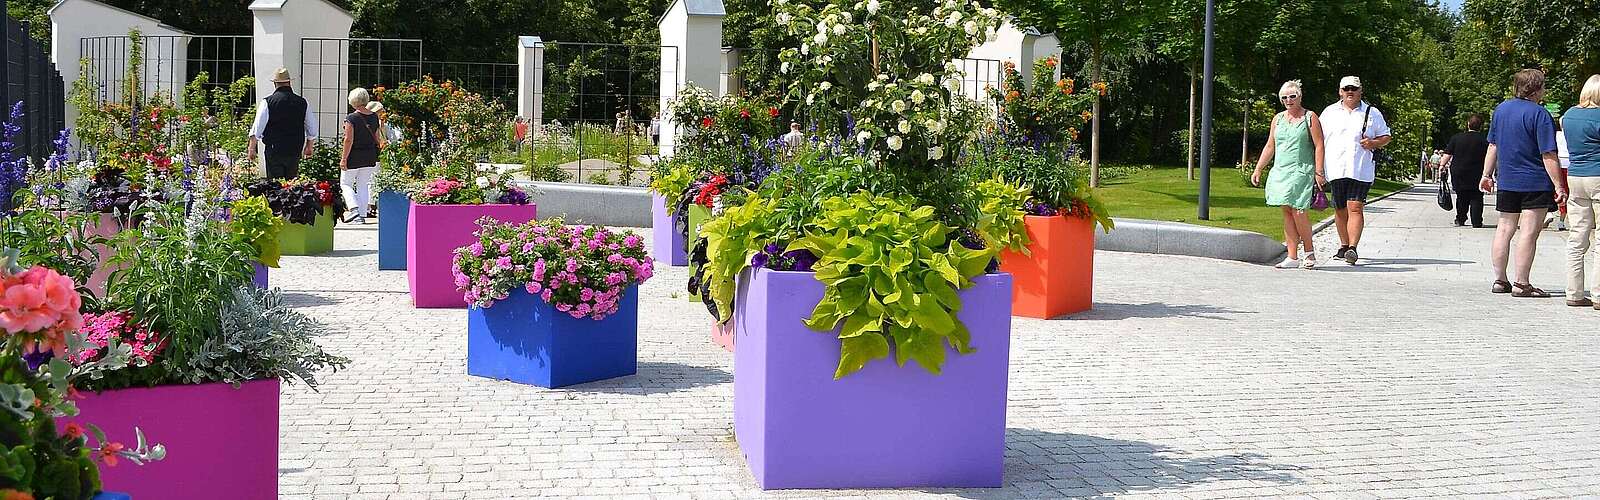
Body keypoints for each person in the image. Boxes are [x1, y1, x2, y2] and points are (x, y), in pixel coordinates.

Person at [1480, 68, 1565, 298]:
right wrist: (1558, 185)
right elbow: (1548, 154)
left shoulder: (1501, 110)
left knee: (1504, 228)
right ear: (1537, 89)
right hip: (1534, 181)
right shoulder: (1541, 115)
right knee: (1528, 232)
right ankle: (1522, 282)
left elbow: (1493, 146)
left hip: (1507, 179)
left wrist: (1486, 175)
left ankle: (1500, 279)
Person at [1251, 80, 1326, 269]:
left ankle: (1309, 253)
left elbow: (1319, 145)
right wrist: (1259, 168)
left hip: (1301, 170)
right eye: (1284, 97)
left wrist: (1319, 171)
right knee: (1287, 211)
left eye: (1292, 96)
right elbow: (1270, 145)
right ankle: (1292, 257)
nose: (1288, 100)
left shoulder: (1310, 117)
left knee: (1299, 211)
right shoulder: (1278, 119)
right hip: (1281, 170)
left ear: (1299, 97)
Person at [1320, 76, 1391, 265]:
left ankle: (1352, 247)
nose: (1350, 92)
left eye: (1354, 88)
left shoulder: (1372, 112)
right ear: (1340, 91)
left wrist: (1373, 143)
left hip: (1360, 168)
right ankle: (1343, 245)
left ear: (1361, 91)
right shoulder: (1329, 112)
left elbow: (1386, 136)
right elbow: (1318, 140)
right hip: (1335, 167)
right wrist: (1318, 169)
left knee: (1355, 207)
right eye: (1346, 88)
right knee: (1340, 208)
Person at [1562, 75, 1600, 307]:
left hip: (1575, 176)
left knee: (1577, 236)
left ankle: (1574, 293)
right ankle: (1598, 294)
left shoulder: (1568, 116)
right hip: (1598, 175)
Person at [247, 68, 318, 180]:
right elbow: (311, 127)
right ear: (289, 82)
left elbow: (258, 126)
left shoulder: (268, 102)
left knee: (275, 183)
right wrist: (309, 146)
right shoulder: (302, 102)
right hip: (295, 148)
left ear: (275, 83)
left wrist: (252, 148)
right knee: (291, 182)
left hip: (274, 148)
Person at [340, 88, 382, 224]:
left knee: (346, 184)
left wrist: (344, 158)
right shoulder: (374, 116)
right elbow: (377, 137)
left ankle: (354, 210)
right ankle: (362, 214)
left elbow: (348, 140)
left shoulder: (351, 118)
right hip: (369, 155)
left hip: (354, 155)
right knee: (363, 185)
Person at [1442, 114, 1490, 227]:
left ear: (1468, 124)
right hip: (1478, 172)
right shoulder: (1485, 140)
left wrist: (1442, 165)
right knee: (1477, 196)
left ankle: (1460, 218)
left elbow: (1447, 154)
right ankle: (1476, 220)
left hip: (1459, 171)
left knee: (1461, 196)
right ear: (1481, 126)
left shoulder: (1456, 138)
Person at [1548, 107, 1571, 230]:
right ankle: (1562, 220)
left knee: (1555, 189)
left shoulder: (1555, 135)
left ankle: (1549, 212)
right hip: (1569, 164)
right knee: (1567, 192)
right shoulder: (1571, 135)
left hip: (1556, 163)